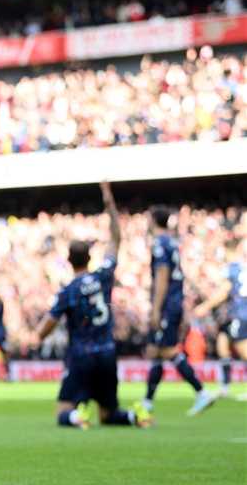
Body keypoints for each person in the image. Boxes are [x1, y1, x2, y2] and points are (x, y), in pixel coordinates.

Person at [33, 182, 152, 430]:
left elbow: (44, 330)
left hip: (81, 356)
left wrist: (34, 335)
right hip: (107, 353)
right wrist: (109, 203)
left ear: (68, 260)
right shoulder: (103, 276)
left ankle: (78, 416)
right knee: (108, 415)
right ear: (89, 258)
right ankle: (134, 416)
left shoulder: (68, 292)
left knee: (62, 412)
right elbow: (116, 239)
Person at [142, 206, 214, 416]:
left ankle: (201, 392)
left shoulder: (159, 244)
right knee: (156, 351)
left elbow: (163, 276)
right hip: (174, 303)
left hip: (166, 305)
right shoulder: (172, 242)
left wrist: (156, 309)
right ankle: (147, 402)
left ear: (153, 220)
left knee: (168, 351)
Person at [194, 239, 247, 401]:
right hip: (235, 313)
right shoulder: (241, 267)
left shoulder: (232, 268)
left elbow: (224, 291)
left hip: (239, 313)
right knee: (222, 345)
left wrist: (205, 306)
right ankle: (224, 387)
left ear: (228, 251)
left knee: (243, 350)